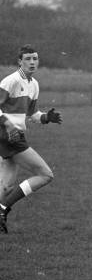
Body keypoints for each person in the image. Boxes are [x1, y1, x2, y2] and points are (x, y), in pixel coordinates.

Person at [0, 44, 62, 234]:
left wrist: (45, 118)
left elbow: (32, 113)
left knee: (6, 186)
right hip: (8, 136)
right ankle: (2, 209)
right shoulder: (9, 81)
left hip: (14, 135)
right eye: (28, 59)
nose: (32, 62)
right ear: (19, 61)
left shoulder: (34, 85)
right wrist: (8, 124)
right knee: (45, 174)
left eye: (35, 58)